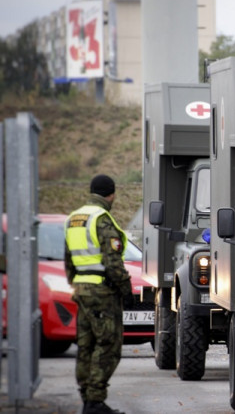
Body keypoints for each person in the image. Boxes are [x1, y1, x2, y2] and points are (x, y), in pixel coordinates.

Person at [65, 174, 132, 414]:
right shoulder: (102, 219)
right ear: (111, 194)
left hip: (81, 290)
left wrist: (77, 285)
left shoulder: (74, 218)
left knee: (86, 344)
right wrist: (126, 289)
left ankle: (87, 398)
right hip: (102, 292)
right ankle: (95, 400)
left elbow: (69, 261)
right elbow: (112, 261)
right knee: (108, 344)